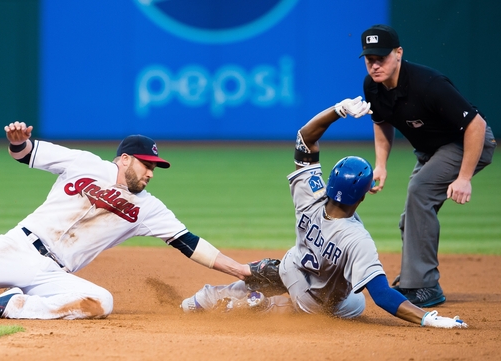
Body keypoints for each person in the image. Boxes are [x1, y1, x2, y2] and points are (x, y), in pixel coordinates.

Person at [0, 122, 252, 319]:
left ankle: (12, 307)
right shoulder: (84, 163)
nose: (151, 172)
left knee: (101, 301)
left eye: (155, 167)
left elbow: (189, 243)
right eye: (147, 164)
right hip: (16, 247)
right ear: (124, 159)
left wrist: (242, 270)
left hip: (55, 273)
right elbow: (26, 153)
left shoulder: (149, 208)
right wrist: (17, 140)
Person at [180, 98, 468, 329]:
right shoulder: (357, 239)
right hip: (317, 305)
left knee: (282, 265)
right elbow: (382, 295)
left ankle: (204, 299)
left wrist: (338, 110)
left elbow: (304, 139)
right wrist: (428, 317)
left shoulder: (311, 193)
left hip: (293, 271)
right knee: (356, 302)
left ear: (330, 181)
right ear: (365, 194)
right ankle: (264, 305)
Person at [358, 24, 496, 307]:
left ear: (398, 53)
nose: (375, 65)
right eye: (370, 59)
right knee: (411, 216)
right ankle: (414, 275)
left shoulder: (428, 84)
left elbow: (476, 125)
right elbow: (381, 122)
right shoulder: (373, 86)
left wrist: (464, 178)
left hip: (468, 143)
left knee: (419, 191)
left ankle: (425, 285)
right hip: (432, 150)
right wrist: (380, 165)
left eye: (381, 57)